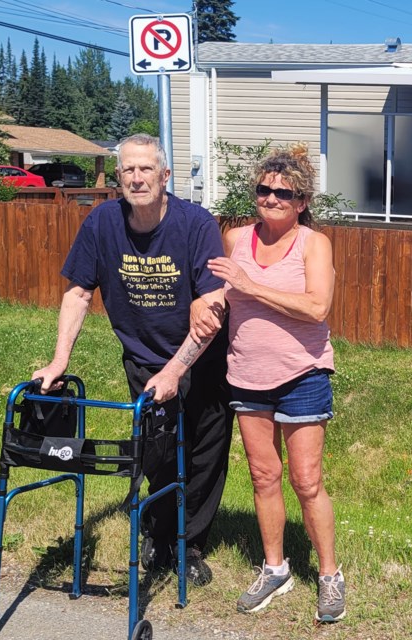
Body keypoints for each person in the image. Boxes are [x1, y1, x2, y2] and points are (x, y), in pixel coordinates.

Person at [32, 133, 233, 587]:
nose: (137, 178)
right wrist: (59, 360)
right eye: (128, 170)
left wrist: (176, 369)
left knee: (204, 454)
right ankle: (158, 535)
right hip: (143, 358)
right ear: (118, 177)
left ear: (165, 176)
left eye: (146, 169)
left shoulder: (195, 224)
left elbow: (213, 307)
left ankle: (188, 545)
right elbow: (79, 292)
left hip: (201, 359)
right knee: (158, 453)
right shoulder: (102, 223)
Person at [204, 143, 346, 622]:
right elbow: (223, 297)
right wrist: (206, 306)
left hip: (302, 374)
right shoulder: (236, 239)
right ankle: (275, 567)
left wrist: (251, 287)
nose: (271, 199)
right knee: (264, 477)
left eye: (283, 194)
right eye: (264, 190)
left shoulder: (314, 244)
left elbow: (317, 307)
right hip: (247, 375)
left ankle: (328, 575)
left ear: (301, 202)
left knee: (307, 482)